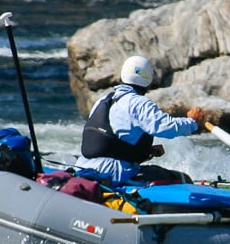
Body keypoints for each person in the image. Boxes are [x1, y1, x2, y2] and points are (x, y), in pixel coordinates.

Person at [75, 55, 206, 186]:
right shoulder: (138, 103)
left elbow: (109, 139)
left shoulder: (102, 100)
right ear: (148, 79)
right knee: (183, 179)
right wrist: (192, 122)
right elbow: (166, 127)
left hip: (84, 168)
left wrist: (146, 151)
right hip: (114, 174)